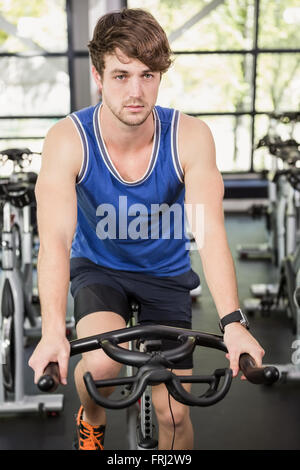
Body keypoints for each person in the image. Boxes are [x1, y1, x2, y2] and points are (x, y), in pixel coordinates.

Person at [28, 8, 265, 451]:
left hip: (165, 276)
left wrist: (233, 321)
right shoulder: (68, 139)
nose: (135, 92)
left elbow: (210, 233)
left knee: (173, 412)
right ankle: (92, 419)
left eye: (147, 75)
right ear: (98, 76)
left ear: (160, 76)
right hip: (99, 269)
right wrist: (53, 331)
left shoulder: (190, 136)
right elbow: (56, 241)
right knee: (99, 368)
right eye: (120, 76)